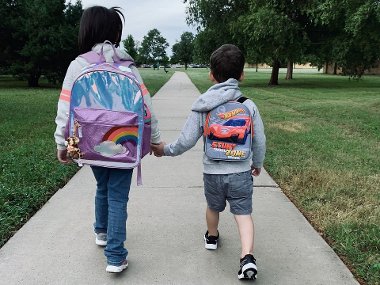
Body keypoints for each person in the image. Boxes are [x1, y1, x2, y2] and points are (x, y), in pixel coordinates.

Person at [54, 6, 161, 273]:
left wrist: (62, 142)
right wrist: (155, 139)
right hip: (125, 144)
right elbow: (146, 107)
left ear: (86, 31)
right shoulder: (127, 66)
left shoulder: (77, 65)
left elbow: (65, 109)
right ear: (116, 33)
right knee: (117, 196)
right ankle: (115, 256)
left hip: (92, 143)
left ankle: (101, 232)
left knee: (103, 187)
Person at [151, 44, 266, 280]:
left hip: (213, 171)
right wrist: (257, 163)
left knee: (213, 207)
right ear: (241, 74)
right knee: (243, 213)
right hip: (241, 171)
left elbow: (186, 140)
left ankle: (212, 237)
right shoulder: (248, 105)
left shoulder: (204, 104)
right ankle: (247, 257)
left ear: (211, 75)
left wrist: (165, 150)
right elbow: (259, 140)